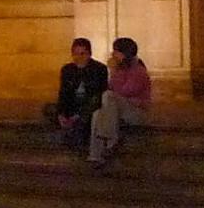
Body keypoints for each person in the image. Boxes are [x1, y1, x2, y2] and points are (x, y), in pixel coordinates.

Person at [88, 37, 151, 170]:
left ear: (124, 53)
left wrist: (113, 71)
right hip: (119, 109)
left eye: (116, 51)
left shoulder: (138, 70)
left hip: (137, 112)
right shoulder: (120, 69)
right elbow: (111, 88)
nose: (113, 54)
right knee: (97, 113)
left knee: (108, 96)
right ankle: (96, 155)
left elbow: (125, 91)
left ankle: (111, 140)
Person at [40, 37, 109, 149]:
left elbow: (97, 96)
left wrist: (77, 116)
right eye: (76, 54)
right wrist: (61, 114)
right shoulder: (67, 70)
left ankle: (74, 135)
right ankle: (66, 131)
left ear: (89, 54)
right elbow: (63, 93)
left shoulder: (99, 69)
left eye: (83, 54)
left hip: (89, 108)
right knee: (49, 108)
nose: (79, 58)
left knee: (90, 115)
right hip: (72, 106)